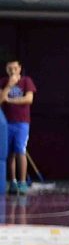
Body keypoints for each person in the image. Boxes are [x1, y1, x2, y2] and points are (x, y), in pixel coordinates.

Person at [1, 61, 36, 195]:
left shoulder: (26, 81)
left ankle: (22, 182)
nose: (12, 71)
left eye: (15, 68)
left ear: (20, 68)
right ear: (6, 69)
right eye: (10, 68)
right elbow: (0, 99)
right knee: (9, 152)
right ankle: (13, 182)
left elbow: (28, 99)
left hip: (22, 122)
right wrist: (9, 86)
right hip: (6, 123)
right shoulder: (3, 82)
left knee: (20, 150)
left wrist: (9, 100)